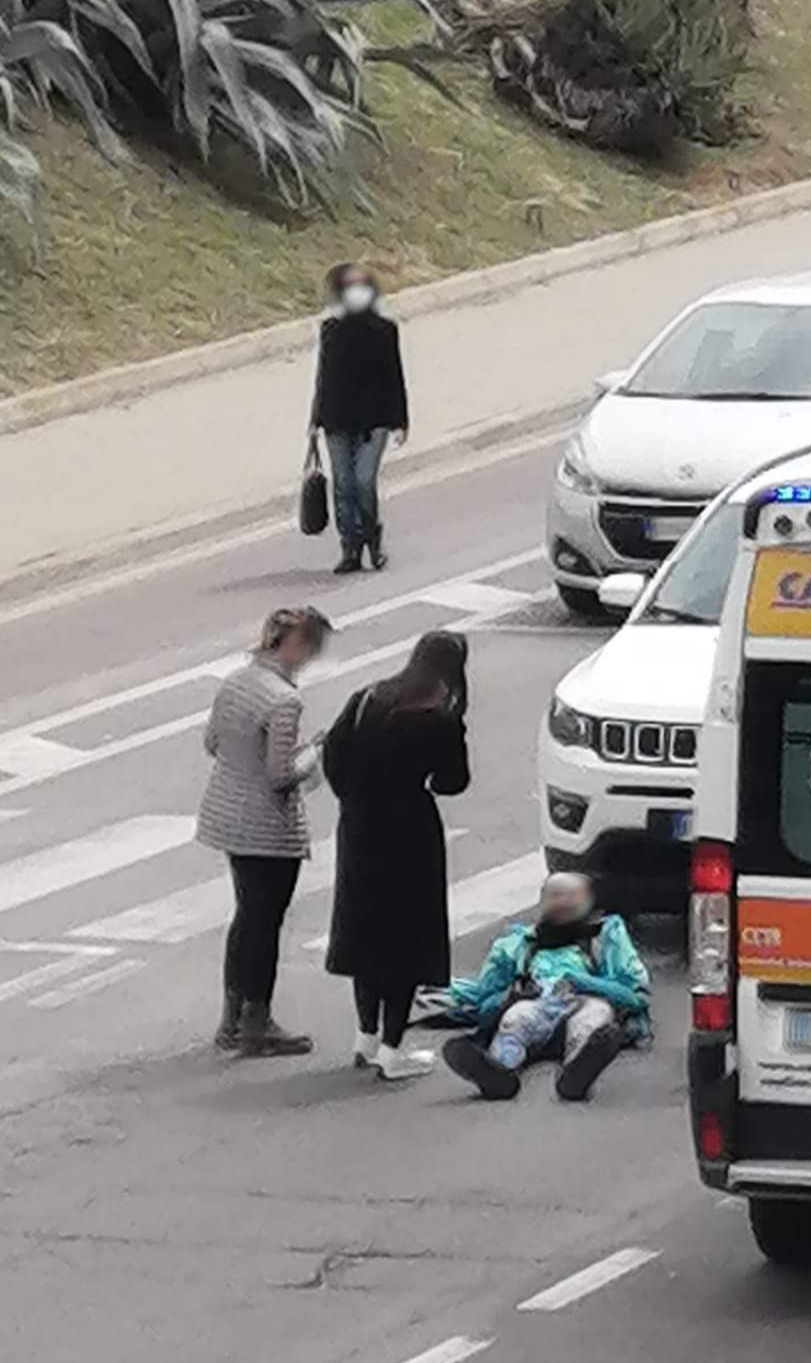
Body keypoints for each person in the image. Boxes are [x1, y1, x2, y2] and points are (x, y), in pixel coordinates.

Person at [323, 631, 470, 1081]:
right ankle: (392, 1050)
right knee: (405, 942)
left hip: (360, 829)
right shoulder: (437, 718)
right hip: (410, 835)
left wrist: (356, 796)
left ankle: (364, 1038)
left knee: (367, 934)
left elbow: (333, 754)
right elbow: (452, 781)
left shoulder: (368, 698)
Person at [199, 606, 333, 1057]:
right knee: (264, 924)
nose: (309, 659)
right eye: (311, 649)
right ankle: (258, 1023)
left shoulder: (236, 682)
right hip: (267, 829)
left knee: (245, 918)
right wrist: (312, 755)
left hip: (227, 818)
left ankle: (231, 1019)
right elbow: (280, 774)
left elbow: (212, 743)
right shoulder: (284, 700)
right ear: (295, 644)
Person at [441, 872, 650, 1101]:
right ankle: (498, 1073)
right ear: (543, 901)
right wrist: (511, 996)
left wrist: (583, 982)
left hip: (586, 1003)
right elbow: (485, 1002)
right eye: (556, 895)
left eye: (572, 896)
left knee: (590, 1020)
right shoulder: (520, 944)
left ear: (588, 901)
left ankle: (576, 1073)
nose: (563, 902)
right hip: (537, 1007)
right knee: (515, 1019)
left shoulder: (606, 937)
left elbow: (635, 997)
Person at [310, 262, 409, 576]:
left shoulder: (384, 330)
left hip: (375, 420)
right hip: (338, 419)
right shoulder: (331, 330)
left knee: (364, 481)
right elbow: (323, 378)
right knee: (343, 485)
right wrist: (315, 419)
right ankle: (349, 546)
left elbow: (395, 375)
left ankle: (371, 536)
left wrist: (401, 419)